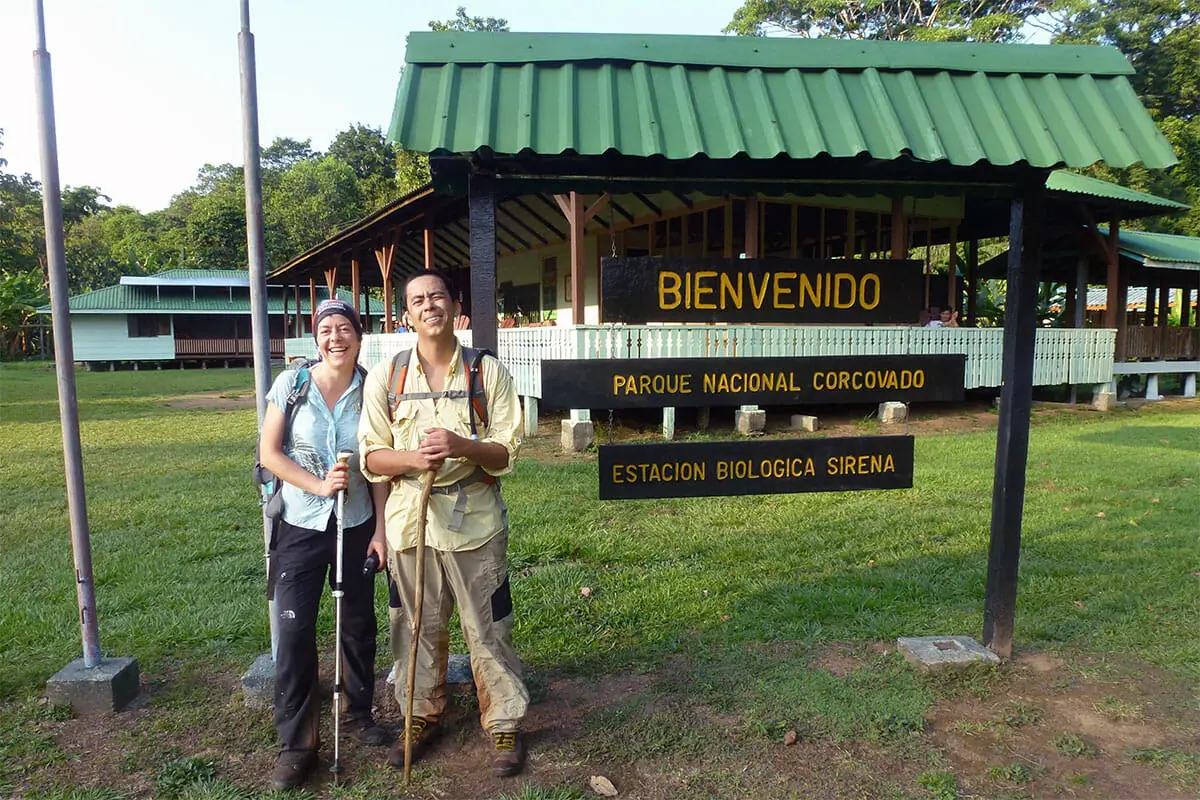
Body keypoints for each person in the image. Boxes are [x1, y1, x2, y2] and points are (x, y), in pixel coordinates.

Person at [358, 269, 529, 778]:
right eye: (417, 300)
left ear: (456, 305)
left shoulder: (487, 373)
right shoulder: (388, 378)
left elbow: (505, 451)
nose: (429, 305)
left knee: (488, 627)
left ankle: (503, 722)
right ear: (405, 314)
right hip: (410, 525)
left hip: (474, 523)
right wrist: (413, 459)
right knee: (414, 627)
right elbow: (372, 456)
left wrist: (461, 447)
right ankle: (419, 716)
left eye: (437, 296)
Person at [258, 299, 391, 791]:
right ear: (316, 339)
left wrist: (380, 530)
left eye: (345, 329)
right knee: (294, 633)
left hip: (356, 523)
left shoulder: (374, 387)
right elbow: (268, 452)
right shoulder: (291, 385)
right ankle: (297, 743)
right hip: (301, 524)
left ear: (360, 334)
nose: (336, 338)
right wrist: (317, 486)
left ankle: (359, 713)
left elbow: (377, 462)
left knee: (357, 623)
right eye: (326, 330)